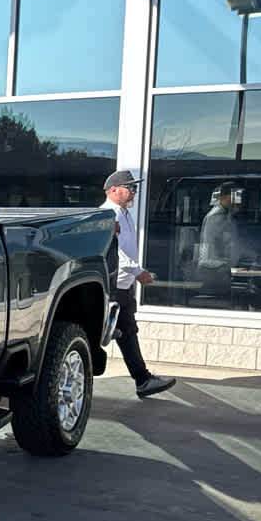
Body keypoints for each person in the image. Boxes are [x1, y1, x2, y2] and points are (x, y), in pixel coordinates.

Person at [101, 170, 175, 398]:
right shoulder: (108, 215)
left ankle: (143, 380)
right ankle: (142, 379)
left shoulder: (124, 214)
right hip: (113, 285)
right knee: (108, 333)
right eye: (130, 187)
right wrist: (137, 271)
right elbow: (114, 251)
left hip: (123, 285)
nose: (134, 191)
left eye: (135, 187)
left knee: (127, 333)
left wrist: (134, 272)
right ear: (114, 190)